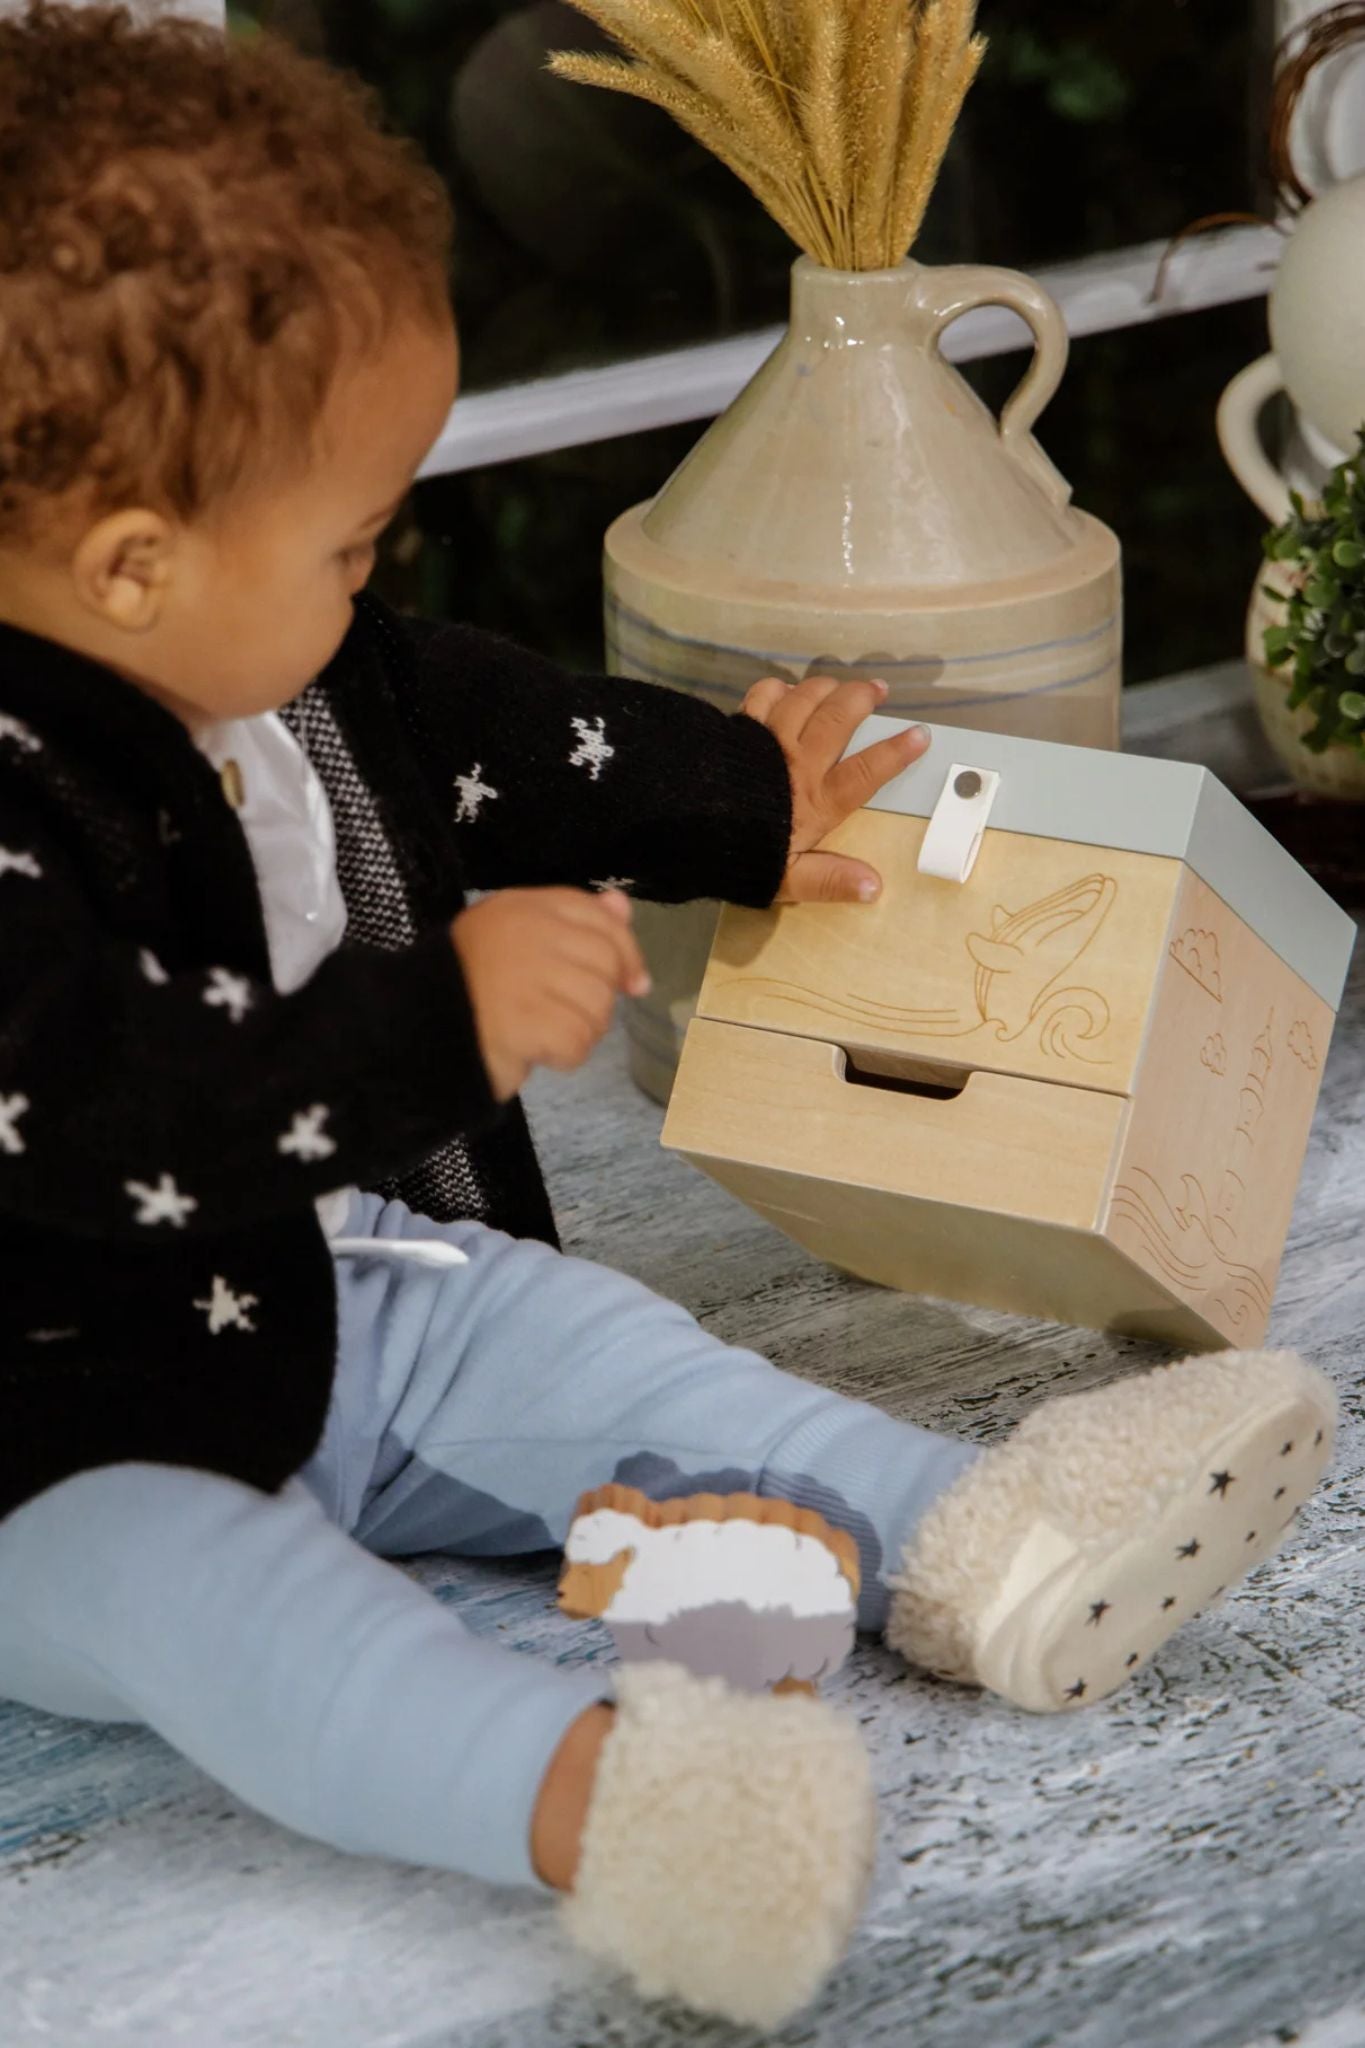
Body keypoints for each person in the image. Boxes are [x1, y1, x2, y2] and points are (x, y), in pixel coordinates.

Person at [0, 5, 1336, 2029]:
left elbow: (487, 725)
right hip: (64, 1449)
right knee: (238, 1623)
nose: (376, 581)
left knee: (583, 1344)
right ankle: (613, 1809)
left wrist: (746, 794)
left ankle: (982, 1537)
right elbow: (106, 1104)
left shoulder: (286, 661)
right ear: (129, 567)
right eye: (349, 542)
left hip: (332, 1300)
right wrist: (429, 1023)